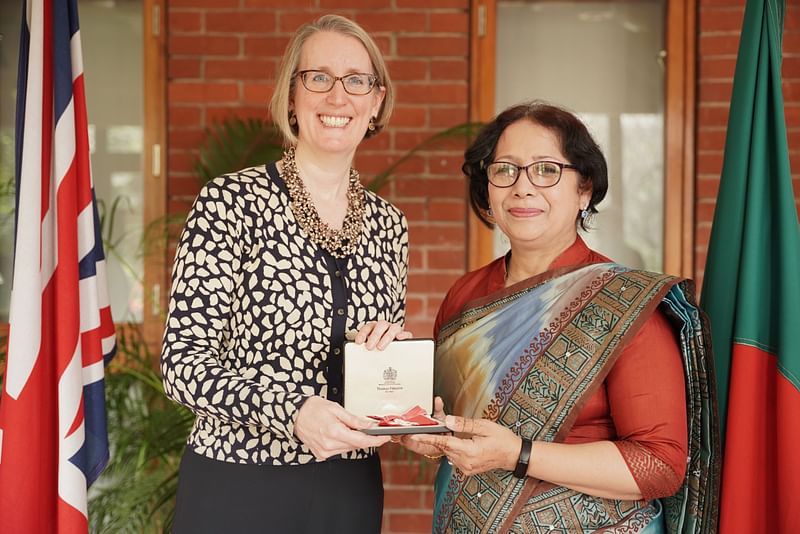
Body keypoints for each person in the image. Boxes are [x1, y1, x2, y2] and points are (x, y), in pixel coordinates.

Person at [403, 102, 720, 533]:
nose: (522, 188)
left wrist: (518, 454)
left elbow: (658, 465)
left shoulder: (625, 303)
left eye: (547, 170)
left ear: (584, 189)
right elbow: (454, 421)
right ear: (487, 187)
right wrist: (427, 436)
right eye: (505, 170)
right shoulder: (465, 296)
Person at [161, 14, 411, 534]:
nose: (337, 97)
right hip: (238, 483)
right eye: (317, 77)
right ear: (292, 96)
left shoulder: (390, 225)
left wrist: (387, 356)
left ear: (376, 101)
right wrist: (293, 410)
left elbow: (374, 376)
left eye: (356, 80)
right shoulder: (229, 203)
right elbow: (182, 366)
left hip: (349, 487)